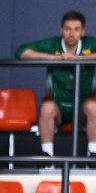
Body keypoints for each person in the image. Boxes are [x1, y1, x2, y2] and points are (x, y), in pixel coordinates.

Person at [16, 11, 96, 156]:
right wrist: (54, 58)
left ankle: (93, 155)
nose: (71, 33)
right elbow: (21, 52)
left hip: (82, 107)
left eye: (76, 29)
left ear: (82, 32)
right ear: (61, 30)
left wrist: (80, 58)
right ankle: (47, 158)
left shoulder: (90, 43)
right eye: (67, 28)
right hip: (59, 107)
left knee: (94, 107)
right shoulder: (53, 44)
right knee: (46, 108)